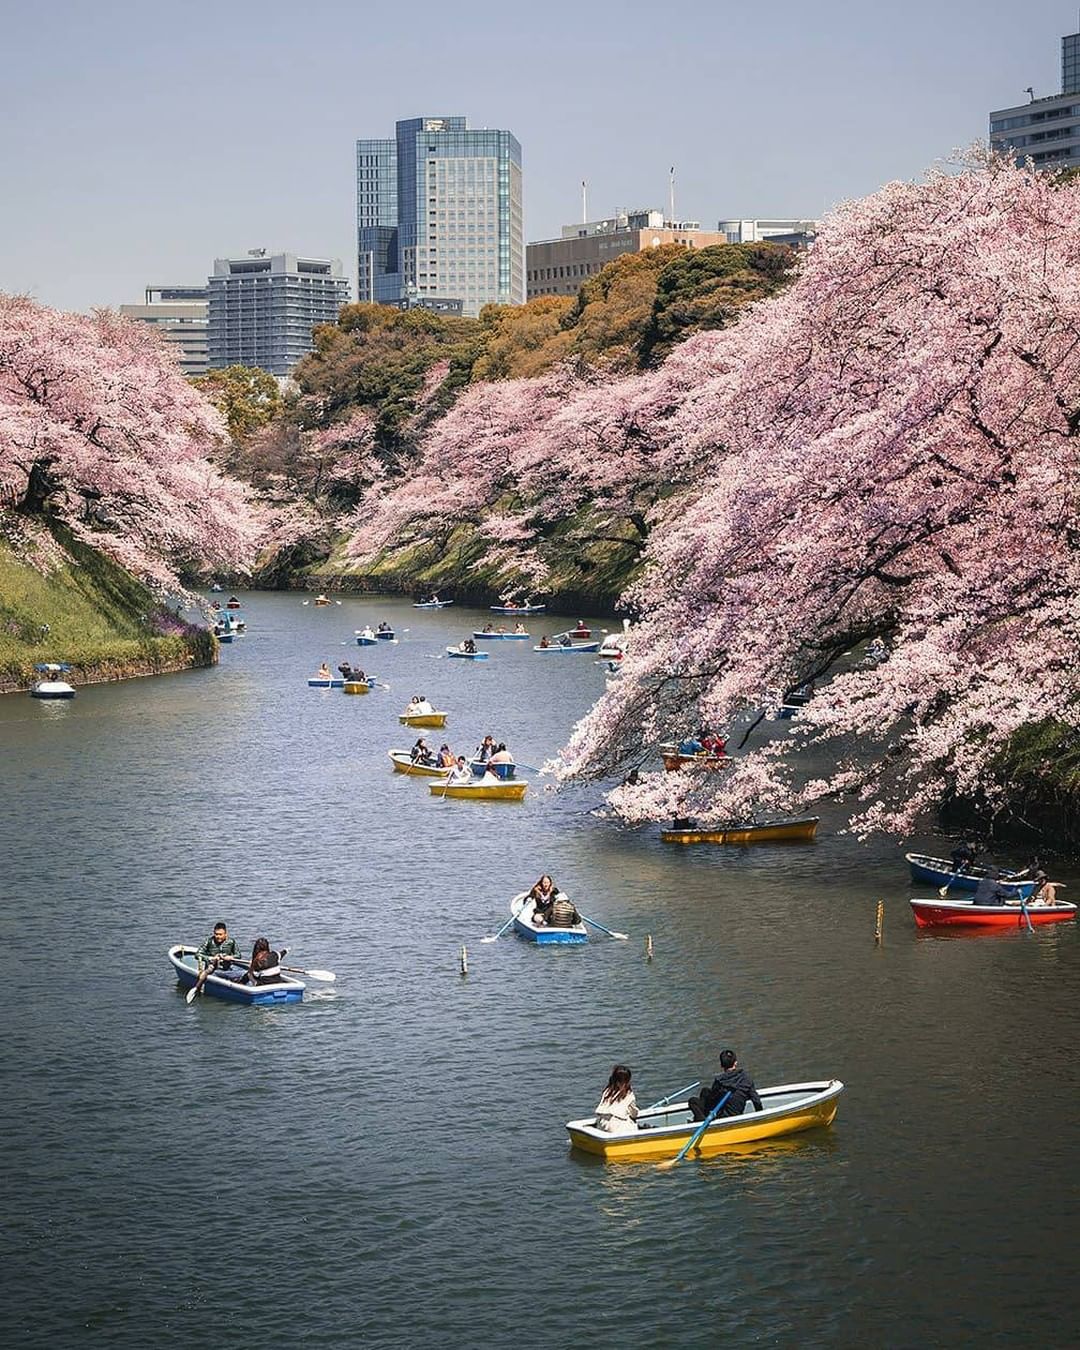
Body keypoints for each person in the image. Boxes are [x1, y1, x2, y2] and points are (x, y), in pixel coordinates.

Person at [688, 1050, 763, 1121]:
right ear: (735, 1063)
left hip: (721, 1116)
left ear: (721, 1065)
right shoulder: (746, 1079)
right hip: (736, 1113)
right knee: (705, 1091)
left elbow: (713, 1099)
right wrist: (760, 1115)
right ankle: (702, 1117)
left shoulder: (719, 1081)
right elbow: (756, 1100)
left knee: (692, 1101)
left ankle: (700, 1120)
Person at [593, 1065, 640, 1134]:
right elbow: (634, 1114)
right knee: (634, 1127)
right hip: (615, 1127)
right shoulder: (629, 1094)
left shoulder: (607, 1091)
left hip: (601, 1124)